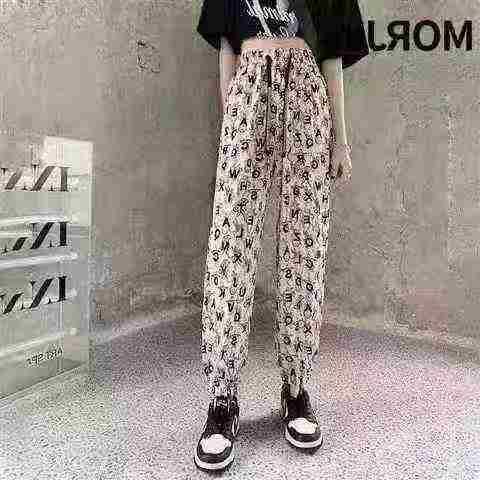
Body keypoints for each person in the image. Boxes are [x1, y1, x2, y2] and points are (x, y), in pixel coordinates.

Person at [194, 0, 369, 471]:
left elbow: (332, 57)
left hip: (307, 95)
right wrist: (231, 116)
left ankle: (296, 388)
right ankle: (223, 398)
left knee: (304, 242)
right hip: (248, 90)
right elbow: (226, 46)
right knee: (231, 240)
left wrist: (340, 140)